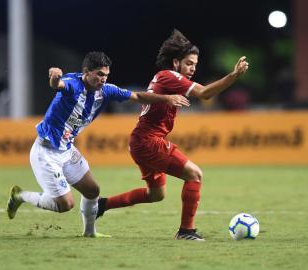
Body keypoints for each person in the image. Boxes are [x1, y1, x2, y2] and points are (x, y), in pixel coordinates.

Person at [6, 51, 190, 237]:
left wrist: (167, 98)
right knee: (65, 205)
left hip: (67, 150)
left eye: (106, 75)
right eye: (99, 74)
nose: (103, 79)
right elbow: (58, 85)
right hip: (46, 152)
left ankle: (90, 233)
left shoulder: (107, 90)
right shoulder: (73, 84)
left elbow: (137, 97)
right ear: (86, 72)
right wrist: (54, 77)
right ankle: (20, 196)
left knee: (92, 190)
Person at [97, 30, 249, 241]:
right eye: (189, 63)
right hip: (149, 141)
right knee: (194, 174)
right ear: (176, 62)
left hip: (140, 142)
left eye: (195, 64)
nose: (193, 68)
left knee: (156, 195)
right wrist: (234, 76)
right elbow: (205, 94)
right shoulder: (170, 76)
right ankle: (186, 231)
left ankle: (102, 205)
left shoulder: (166, 78)